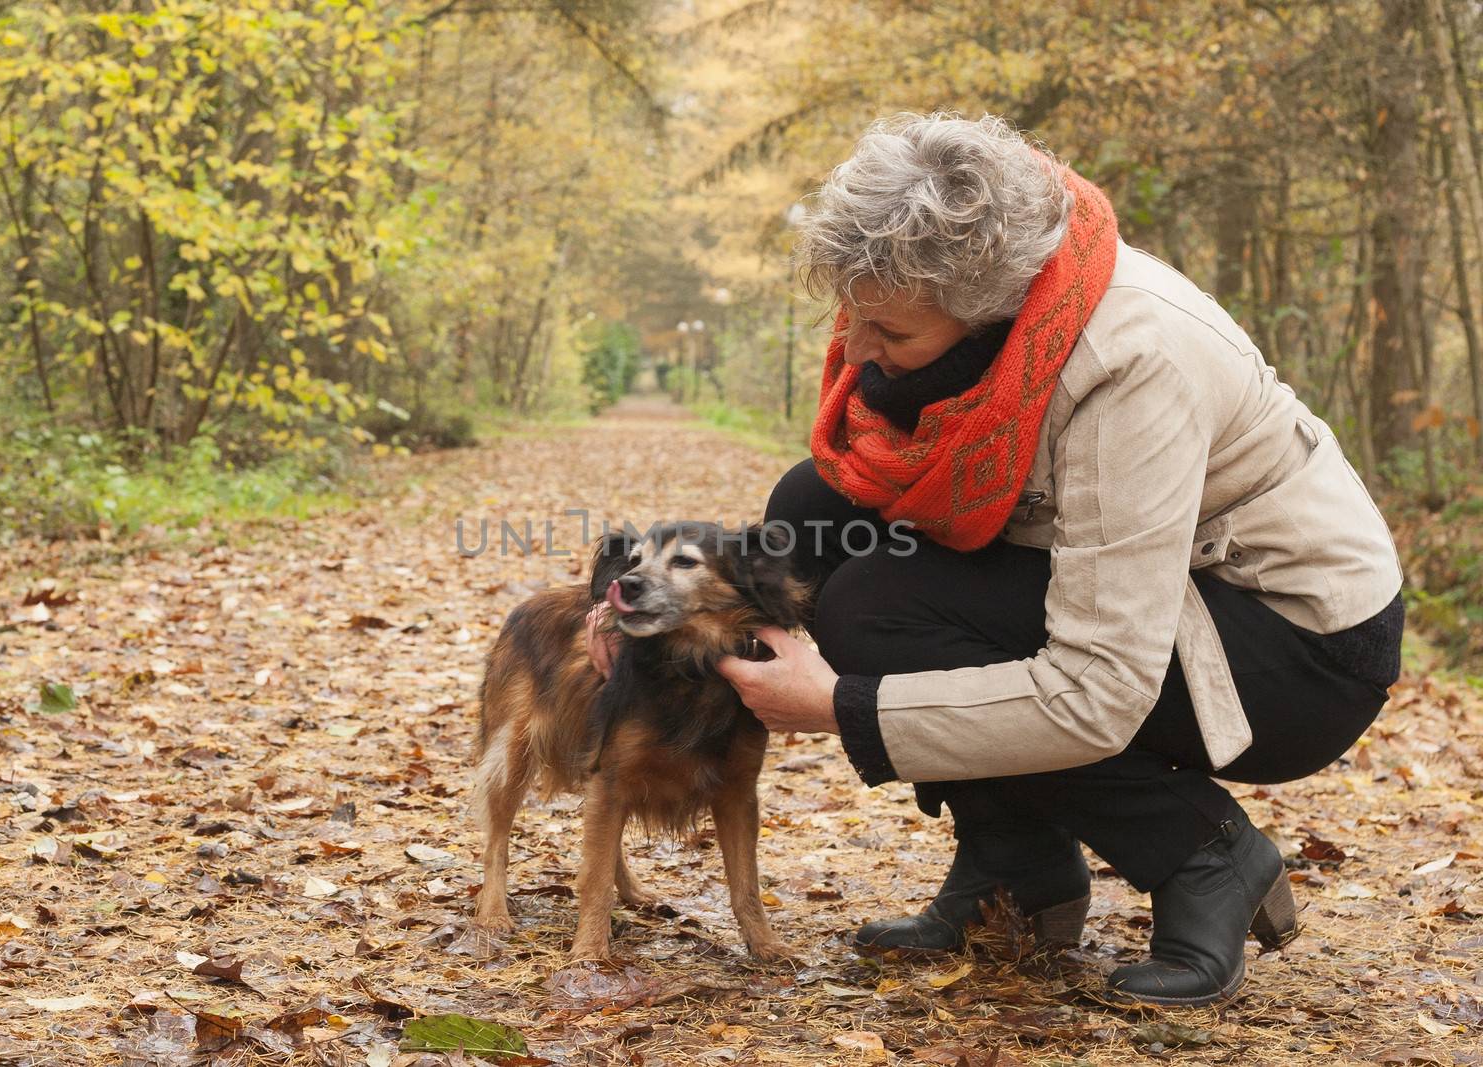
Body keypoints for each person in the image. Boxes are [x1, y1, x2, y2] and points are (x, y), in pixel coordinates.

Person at [590, 112, 1403, 1007]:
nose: (855, 353)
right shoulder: (985, 331)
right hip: (1169, 592)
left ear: (983, 314)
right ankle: (1020, 867)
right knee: (808, 513)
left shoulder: (1129, 367)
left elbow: (1097, 686)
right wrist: (637, 605)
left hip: (1293, 640)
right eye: (850, 318)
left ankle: (1202, 854)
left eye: (889, 335)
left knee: (876, 615)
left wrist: (844, 705)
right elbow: (793, 545)